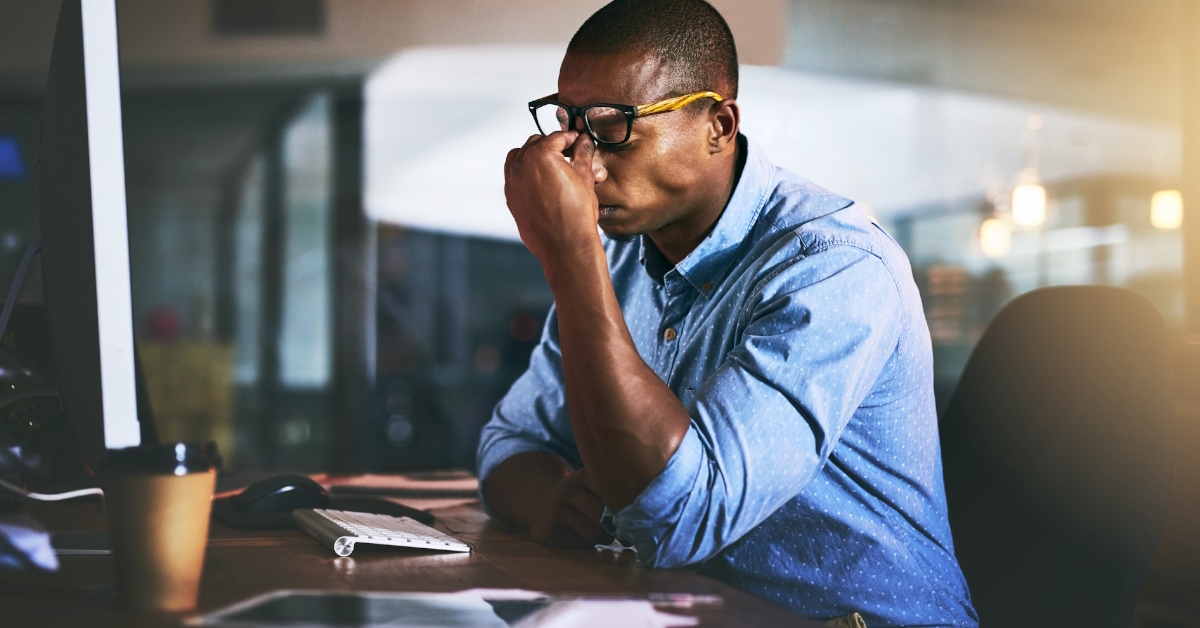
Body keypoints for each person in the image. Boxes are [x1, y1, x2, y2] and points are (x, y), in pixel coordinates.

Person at [477, 1, 978, 625]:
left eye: (613, 127)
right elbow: (510, 440)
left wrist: (571, 254)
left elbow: (677, 516)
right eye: (568, 126)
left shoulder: (836, 267)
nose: (585, 163)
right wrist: (544, 501)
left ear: (719, 125)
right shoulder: (625, 255)